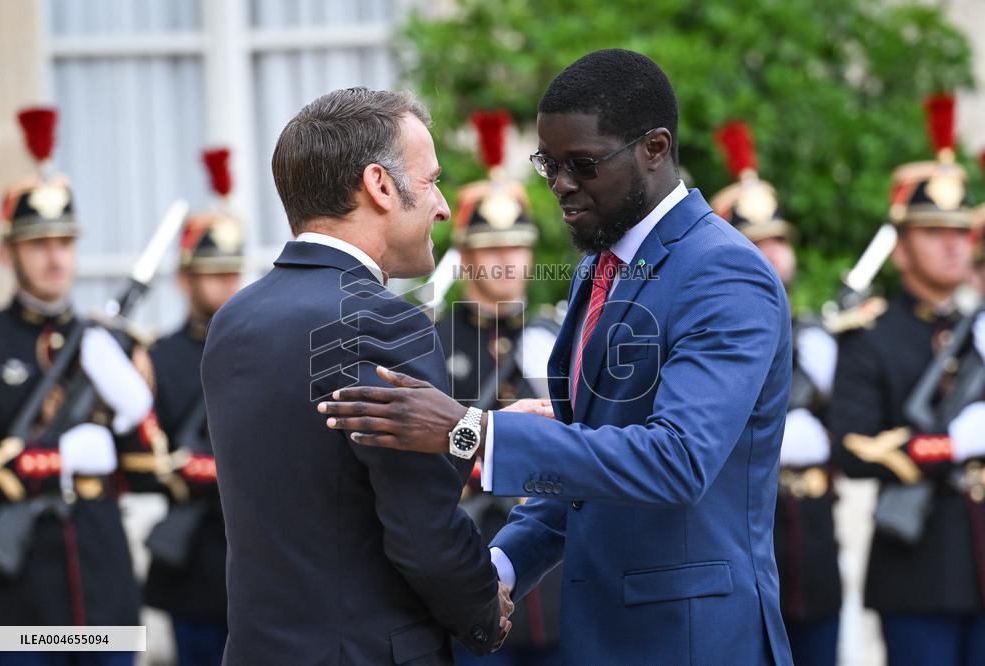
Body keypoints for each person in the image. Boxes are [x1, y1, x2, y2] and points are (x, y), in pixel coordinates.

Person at [320, 49, 794, 664]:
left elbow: (677, 460)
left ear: (655, 148)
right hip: (610, 632)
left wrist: (471, 432)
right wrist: (499, 568)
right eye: (550, 164)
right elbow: (585, 463)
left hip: (692, 638)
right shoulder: (600, 266)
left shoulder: (723, 272)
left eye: (583, 164)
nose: (561, 184)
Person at [200, 88, 519, 665]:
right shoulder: (384, 321)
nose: (443, 207)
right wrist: (484, 611)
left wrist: (483, 431)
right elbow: (422, 528)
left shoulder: (234, 318)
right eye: (431, 181)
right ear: (380, 185)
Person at [0, 108, 153, 665]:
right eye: (38, 243)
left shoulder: (111, 343)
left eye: (64, 241)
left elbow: (146, 458)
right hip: (17, 592)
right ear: (7, 252)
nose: (55, 256)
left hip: (102, 574)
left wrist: (134, 404)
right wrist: (52, 458)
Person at [829, 94, 985, 665]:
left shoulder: (978, 328)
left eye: (960, 232)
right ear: (900, 249)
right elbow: (851, 445)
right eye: (932, 232)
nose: (952, 244)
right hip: (921, 567)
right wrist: (950, 445)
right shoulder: (871, 336)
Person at [711, 121, 842, 666]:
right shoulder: (711, 328)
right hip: (740, 534)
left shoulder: (819, 335)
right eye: (759, 241)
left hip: (811, 539)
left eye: (779, 239)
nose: (775, 253)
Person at [438, 111, 561, 666]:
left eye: (517, 247)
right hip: (473, 561)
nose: (507, 261)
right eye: (491, 248)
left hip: (553, 564)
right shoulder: (432, 344)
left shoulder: (556, 337)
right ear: (464, 256)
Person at [142, 148, 244, 665]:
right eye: (212, 274)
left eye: (233, 272)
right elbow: (146, 459)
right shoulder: (158, 357)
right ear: (185, 280)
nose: (228, 284)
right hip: (196, 563)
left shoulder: (259, 347)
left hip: (256, 562)